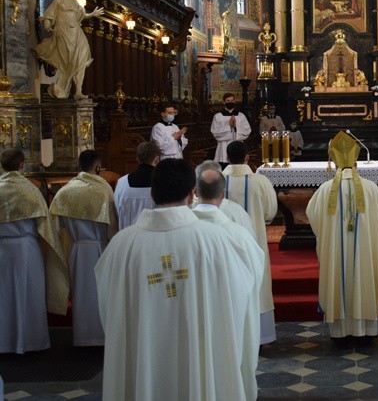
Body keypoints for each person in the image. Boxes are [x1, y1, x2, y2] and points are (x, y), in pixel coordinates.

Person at [95, 158, 257, 401]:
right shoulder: (216, 240)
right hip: (198, 357)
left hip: (143, 357)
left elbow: (110, 307)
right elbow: (239, 296)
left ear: (151, 194)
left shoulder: (122, 245)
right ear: (192, 196)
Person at [306, 132, 378, 342]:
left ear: (334, 163)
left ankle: (340, 331)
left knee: (337, 273)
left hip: (336, 254)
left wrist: (329, 234)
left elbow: (313, 218)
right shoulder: (372, 189)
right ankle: (366, 329)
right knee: (363, 273)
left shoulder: (325, 191)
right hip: (365, 252)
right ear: (356, 162)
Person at [192, 167, 265, 400]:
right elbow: (256, 274)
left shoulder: (180, 232)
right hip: (228, 314)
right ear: (223, 194)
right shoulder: (237, 232)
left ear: (194, 192)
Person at [0, 148, 69, 354]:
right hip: (26, 250)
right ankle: (30, 342)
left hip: (2, 250)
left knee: (4, 296)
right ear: (22, 164)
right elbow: (45, 227)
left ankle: (4, 342)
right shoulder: (29, 191)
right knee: (28, 294)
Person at [49, 149, 116, 346]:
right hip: (99, 249)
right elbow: (112, 225)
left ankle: (82, 336)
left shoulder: (66, 191)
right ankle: (101, 337)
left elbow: (57, 226)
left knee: (80, 293)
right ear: (98, 167)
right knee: (99, 293)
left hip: (77, 249)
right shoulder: (103, 190)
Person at [222, 141, 278, 344]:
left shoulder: (218, 180)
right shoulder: (260, 181)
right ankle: (259, 337)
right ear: (247, 157)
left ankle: (231, 337)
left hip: (224, 244)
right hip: (255, 240)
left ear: (227, 158)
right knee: (256, 282)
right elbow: (270, 213)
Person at [33, 0, 104, 99]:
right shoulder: (59, 0)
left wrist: (92, 15)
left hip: (77, 31)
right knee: (69, 61)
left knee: (81, 58)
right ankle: (61, 88)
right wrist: (48, 22)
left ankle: (78, 91)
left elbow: (80, 16)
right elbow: (50, 13)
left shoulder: (75, 2)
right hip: (63, 31)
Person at [114, 141, 160, 230]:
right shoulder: (164, 182)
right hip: (156, 239)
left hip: (128, 239)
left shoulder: (122, 183)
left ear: (137, 159)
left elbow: (117, 212)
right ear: (157, 159)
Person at [211, 93, 252, 164]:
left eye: (232, 100)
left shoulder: (241, 115)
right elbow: (215, 133)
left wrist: (236, 127)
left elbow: (248, 131)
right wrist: (229, 126)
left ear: (234, 101)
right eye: (228, 100)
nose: (230, 102)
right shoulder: (218, 116)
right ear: (224, 102)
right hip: (223, 148)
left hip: (238, 147)